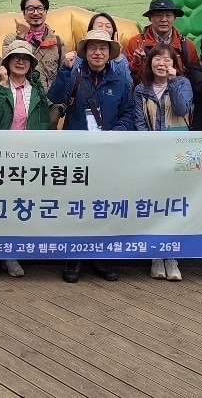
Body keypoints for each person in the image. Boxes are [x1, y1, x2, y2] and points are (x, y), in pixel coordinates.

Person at [47, 28, 135, 283]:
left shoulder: (120, 81)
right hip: (77, 152)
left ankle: (101, 257)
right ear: (85, 52)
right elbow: (54, 98)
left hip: (108, 153)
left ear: (109, 53)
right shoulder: (73, 75)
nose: (98, 52)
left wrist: (114, 133)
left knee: (103, 205)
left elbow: (128, 113)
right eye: (93, 48)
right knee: (76, 205)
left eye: (103, 48)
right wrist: (64, 70)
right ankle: (72, 259)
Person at [0, 39, 52, 279]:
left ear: (31, 64)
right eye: (15, 57)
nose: (20, 62)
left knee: (17, 204)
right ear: (7, 62)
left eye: (25, 58)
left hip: (27, 157)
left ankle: (11, 253)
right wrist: (1, 84)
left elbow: (42, 123)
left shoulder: (36, 90)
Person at [132, 44, 193, 281]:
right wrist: (150, 148)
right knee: (154, 205)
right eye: (156, 58)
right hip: (151, 155)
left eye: (167, 59)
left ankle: (172, 257)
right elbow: (138, 121)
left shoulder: (184, 84)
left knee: (174, 205)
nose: (162, 63)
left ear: (174, 63)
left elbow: (181, 109)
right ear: (149, 63)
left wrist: (174, 82)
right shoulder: (141, 89)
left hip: (178, 155)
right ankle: (156, 256)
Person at [122, 0, 200, 84]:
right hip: (144, 95)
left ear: (174, 18)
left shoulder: (186, 45)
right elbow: (126, 77)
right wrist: (137, 62)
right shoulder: (136, 42)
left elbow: (194, 77)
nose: (163, 20)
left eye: (168, 15)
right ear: (150, 18)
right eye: (158, 15)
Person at [2, 0, 65, 93]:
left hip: (49, 103)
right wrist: (21, 38)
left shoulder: (57, 42)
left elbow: (63, 75)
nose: (36, 13)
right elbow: (5, 68)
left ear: (46, 11)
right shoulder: (11, 39)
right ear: (24, 13)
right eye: (31, 9)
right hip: (20, 101)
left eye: (40, 8)